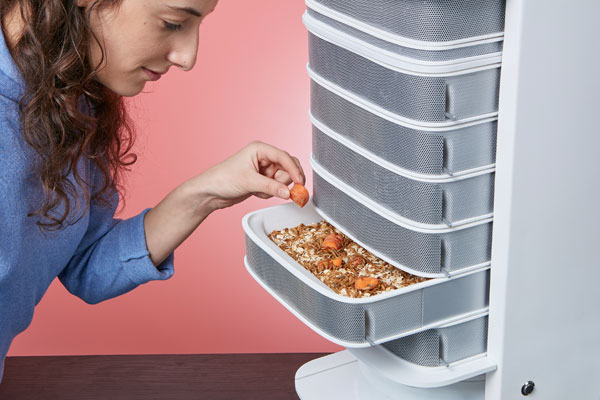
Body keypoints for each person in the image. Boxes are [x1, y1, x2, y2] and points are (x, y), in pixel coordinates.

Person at [0, 0, 306, 382]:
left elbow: (85, 264)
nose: (188, 57)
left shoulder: (74, 103)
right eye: (173, 22)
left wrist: (205, 192)